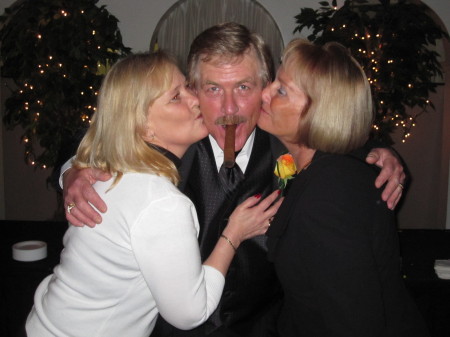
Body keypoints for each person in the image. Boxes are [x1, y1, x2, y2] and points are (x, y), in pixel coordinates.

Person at [60, 23, 406, 336]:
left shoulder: (290, 148)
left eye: (243, 86)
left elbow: (334, 140)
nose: (229, 108)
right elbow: (96, 144)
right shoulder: (167, 147)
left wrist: (378, 153)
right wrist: (73, 171)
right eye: (212, 89)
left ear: (266, 88)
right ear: (192, 90)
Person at [25, 52, 282, 337]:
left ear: (264, 88)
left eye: (243, 87)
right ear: (143, 125)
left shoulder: (118, 163)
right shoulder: (155, 194)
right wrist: (233, 234)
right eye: (179, 96)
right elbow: (189, 313)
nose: (196, 100)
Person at [259, 39, 429, 337]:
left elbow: (354, 322)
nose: (264, 93)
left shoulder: (329, 193)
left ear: (321, 113)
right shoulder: (324, 169)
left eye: (281, 90)